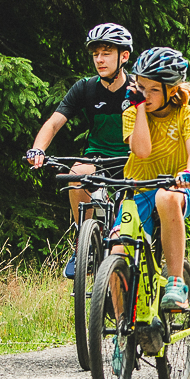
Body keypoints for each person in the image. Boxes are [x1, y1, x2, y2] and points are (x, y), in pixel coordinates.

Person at [25, 23, 134, 277]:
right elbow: (53, 123)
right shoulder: (85, 88)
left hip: (132, 159)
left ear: (124, 56)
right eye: (95, 53)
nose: (99, 59)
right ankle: (84, 243)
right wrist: (37, 150)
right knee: (76, 175)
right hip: (98, 156)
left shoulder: (137, 88)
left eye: (106, 52)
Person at [120, 47, 190, 312]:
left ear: (171, 90)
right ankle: (122, 338)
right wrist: (141, 109)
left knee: (165, 196)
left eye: (153, 90)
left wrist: (189, 174)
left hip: (178, 188)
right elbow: (142, 151)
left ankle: (176, 282)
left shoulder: (186, 114)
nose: (145, 94)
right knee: (117, 253)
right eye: (140, 86)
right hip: (138, 190)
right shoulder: (133, 113)